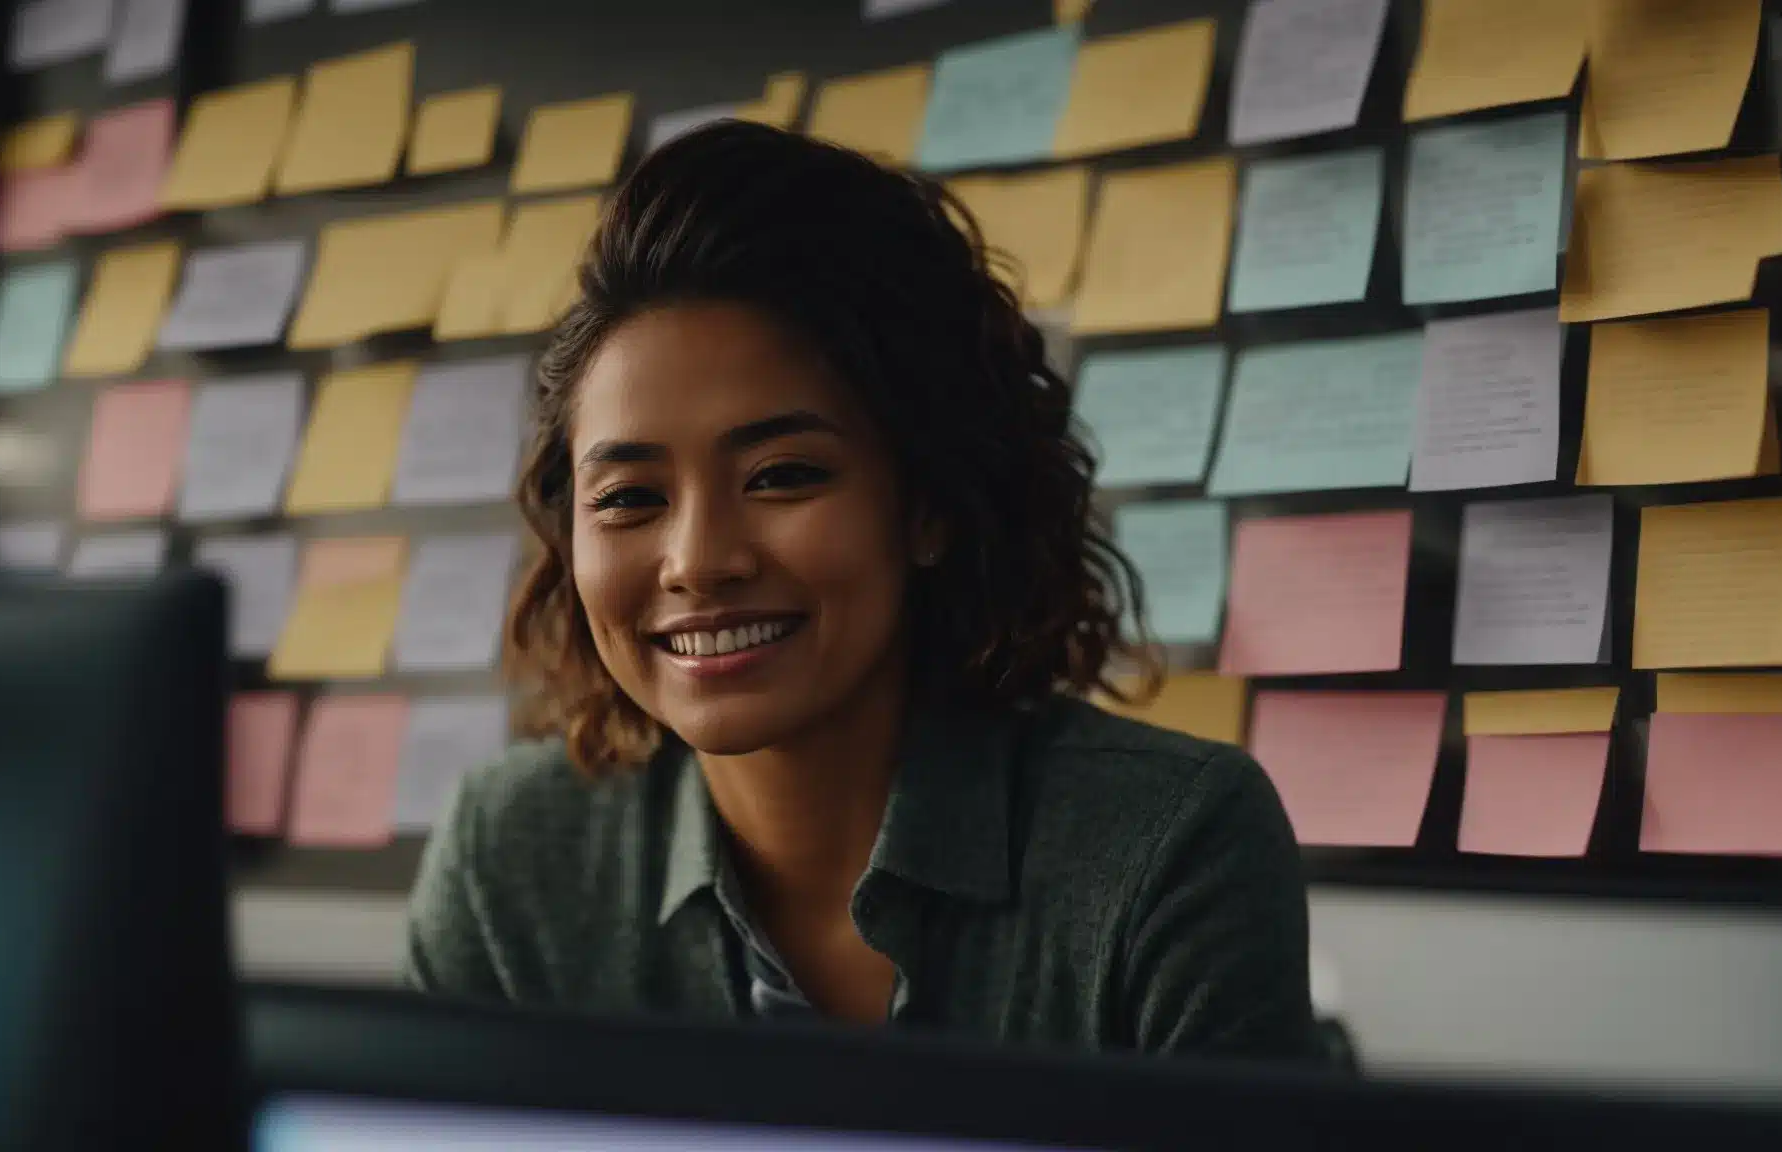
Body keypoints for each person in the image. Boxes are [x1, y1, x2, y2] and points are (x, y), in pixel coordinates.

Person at [407, 120, 1320, 1061]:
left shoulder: (1165, 848)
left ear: (926, 503)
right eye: (631, 497)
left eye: (782, 475)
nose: (698, 560)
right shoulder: (509, 858)